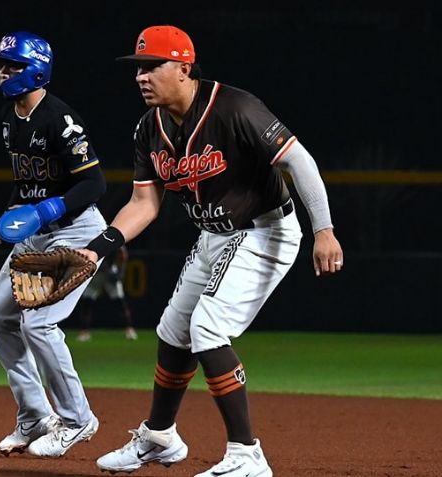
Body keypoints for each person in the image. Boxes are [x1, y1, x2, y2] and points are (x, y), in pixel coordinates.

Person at [80, 26, 344, 476]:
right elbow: (144, 203)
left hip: (264, 230)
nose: (141, 76)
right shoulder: (149, 127)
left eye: (152, 66)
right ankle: (160, 437)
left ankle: (247, 455)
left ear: (184, 68)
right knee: (173, 331)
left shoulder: (234, 107)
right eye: (138, 68)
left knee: (207, 326)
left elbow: (298, 160)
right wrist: (97, 248)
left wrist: (324, 230)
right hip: (214, 235)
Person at [0, 31, 108, 458]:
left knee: (38, 324)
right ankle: (35, 415)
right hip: (37, 232)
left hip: (75, 232)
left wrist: (46, 209)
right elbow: (27, 181)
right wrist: (10, 213)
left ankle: (77, 418)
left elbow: (94, 184)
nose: (3, 72)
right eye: (2, 65)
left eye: (12, 65)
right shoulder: (8, 117)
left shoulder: (61, 119)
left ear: (36, 70)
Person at [75, 246, 138, 342]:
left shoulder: (114, 238)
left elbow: (123, 254)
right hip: (96, 273)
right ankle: (84, 332)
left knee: (120, 303)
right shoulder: (92, 239)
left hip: (110, 273)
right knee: (87, 303)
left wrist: (121, 272)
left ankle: (129, 329)